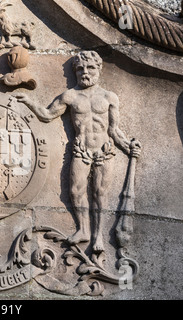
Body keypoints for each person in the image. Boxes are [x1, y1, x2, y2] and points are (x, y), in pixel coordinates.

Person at [15, 51, 141, 253]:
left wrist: (128, 146)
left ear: (99, 69)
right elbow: (48, 115)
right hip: (81, 149)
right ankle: (83, 229)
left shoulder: (109, 97)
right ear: (75, 72)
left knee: (100, 193)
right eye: (80, 68)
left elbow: (114, 130)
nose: (85, 72)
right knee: (75, 190)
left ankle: (98, 235)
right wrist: (29, 102)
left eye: (90, 68)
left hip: (104, 149)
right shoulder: (70, 96)